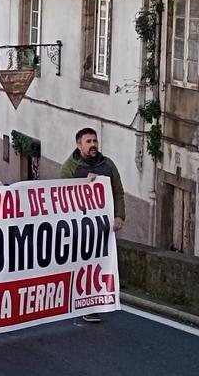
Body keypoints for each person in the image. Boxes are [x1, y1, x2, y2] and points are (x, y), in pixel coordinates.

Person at [60, 127, 125, 323]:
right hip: (80, 227)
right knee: (83, 265)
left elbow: (118, 192)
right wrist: (82, 186)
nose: (93, 145)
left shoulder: (108, 165)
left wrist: (120, 216)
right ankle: (82, 303)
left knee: (101, 265)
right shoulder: (69, 168)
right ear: (79, 146)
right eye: (88, 142)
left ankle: (95, 303)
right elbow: (63, 196)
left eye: (95, 141)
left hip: (104, 228)